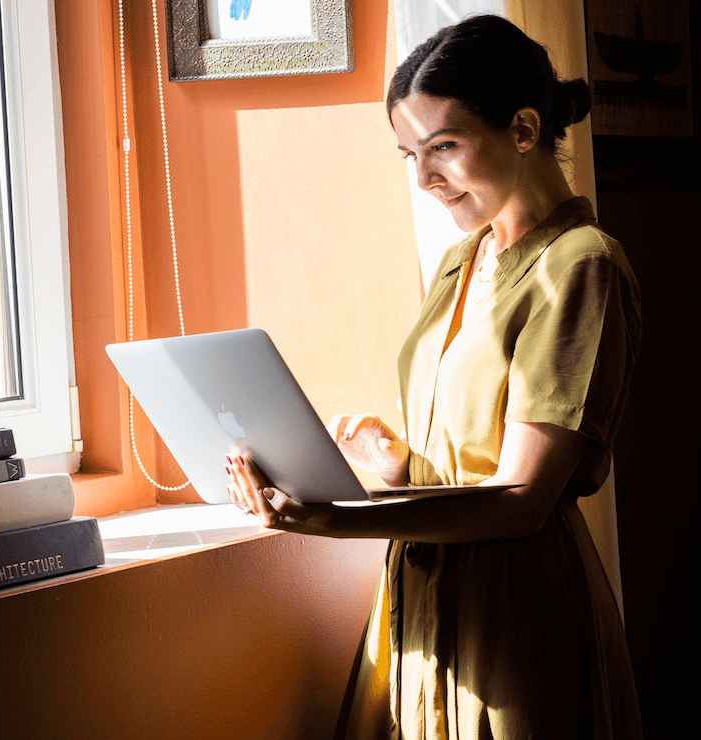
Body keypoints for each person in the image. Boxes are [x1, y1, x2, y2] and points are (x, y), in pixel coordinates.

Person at [226, 14, 643, 740]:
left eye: (443, 147)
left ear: (521, 128)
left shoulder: (580, 265)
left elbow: (519, 500)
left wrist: (332, 519)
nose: (424, 179)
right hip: (419, 598)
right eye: (409, 154)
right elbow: (471, 460)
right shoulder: (460, 261)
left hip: (515, 613)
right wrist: (401, 464)